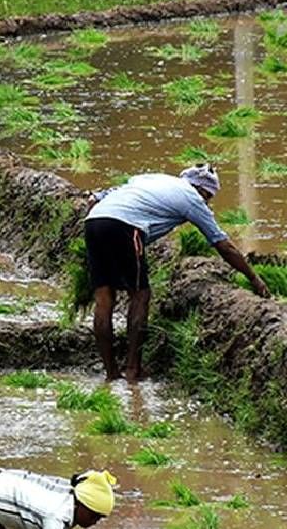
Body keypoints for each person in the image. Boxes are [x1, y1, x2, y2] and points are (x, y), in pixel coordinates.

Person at [84, 163, 270, 382]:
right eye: (208, 197)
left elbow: (99, 196)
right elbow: (223, 245)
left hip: (94, 221)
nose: (207, 203)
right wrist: (255, 279)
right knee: (140, 296)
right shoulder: (192, 199)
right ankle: (133, 370)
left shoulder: (153, 179)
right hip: (126, 226)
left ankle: (111, 373)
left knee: (104, 299)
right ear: (202, 190)